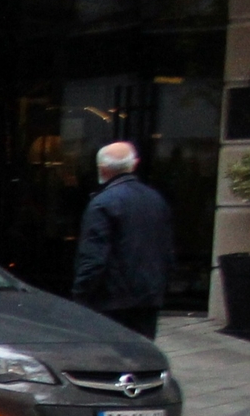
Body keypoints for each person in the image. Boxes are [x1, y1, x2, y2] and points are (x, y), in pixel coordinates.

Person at [73, 141, 174, 340]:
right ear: (134, 164)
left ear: (102, 168)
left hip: (112, 299)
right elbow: (167, 250)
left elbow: (94, 257)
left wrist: (80, 294)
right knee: (142, 354)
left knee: (111, 355)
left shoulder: (102, 204)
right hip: (148, 296)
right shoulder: (155, 200)